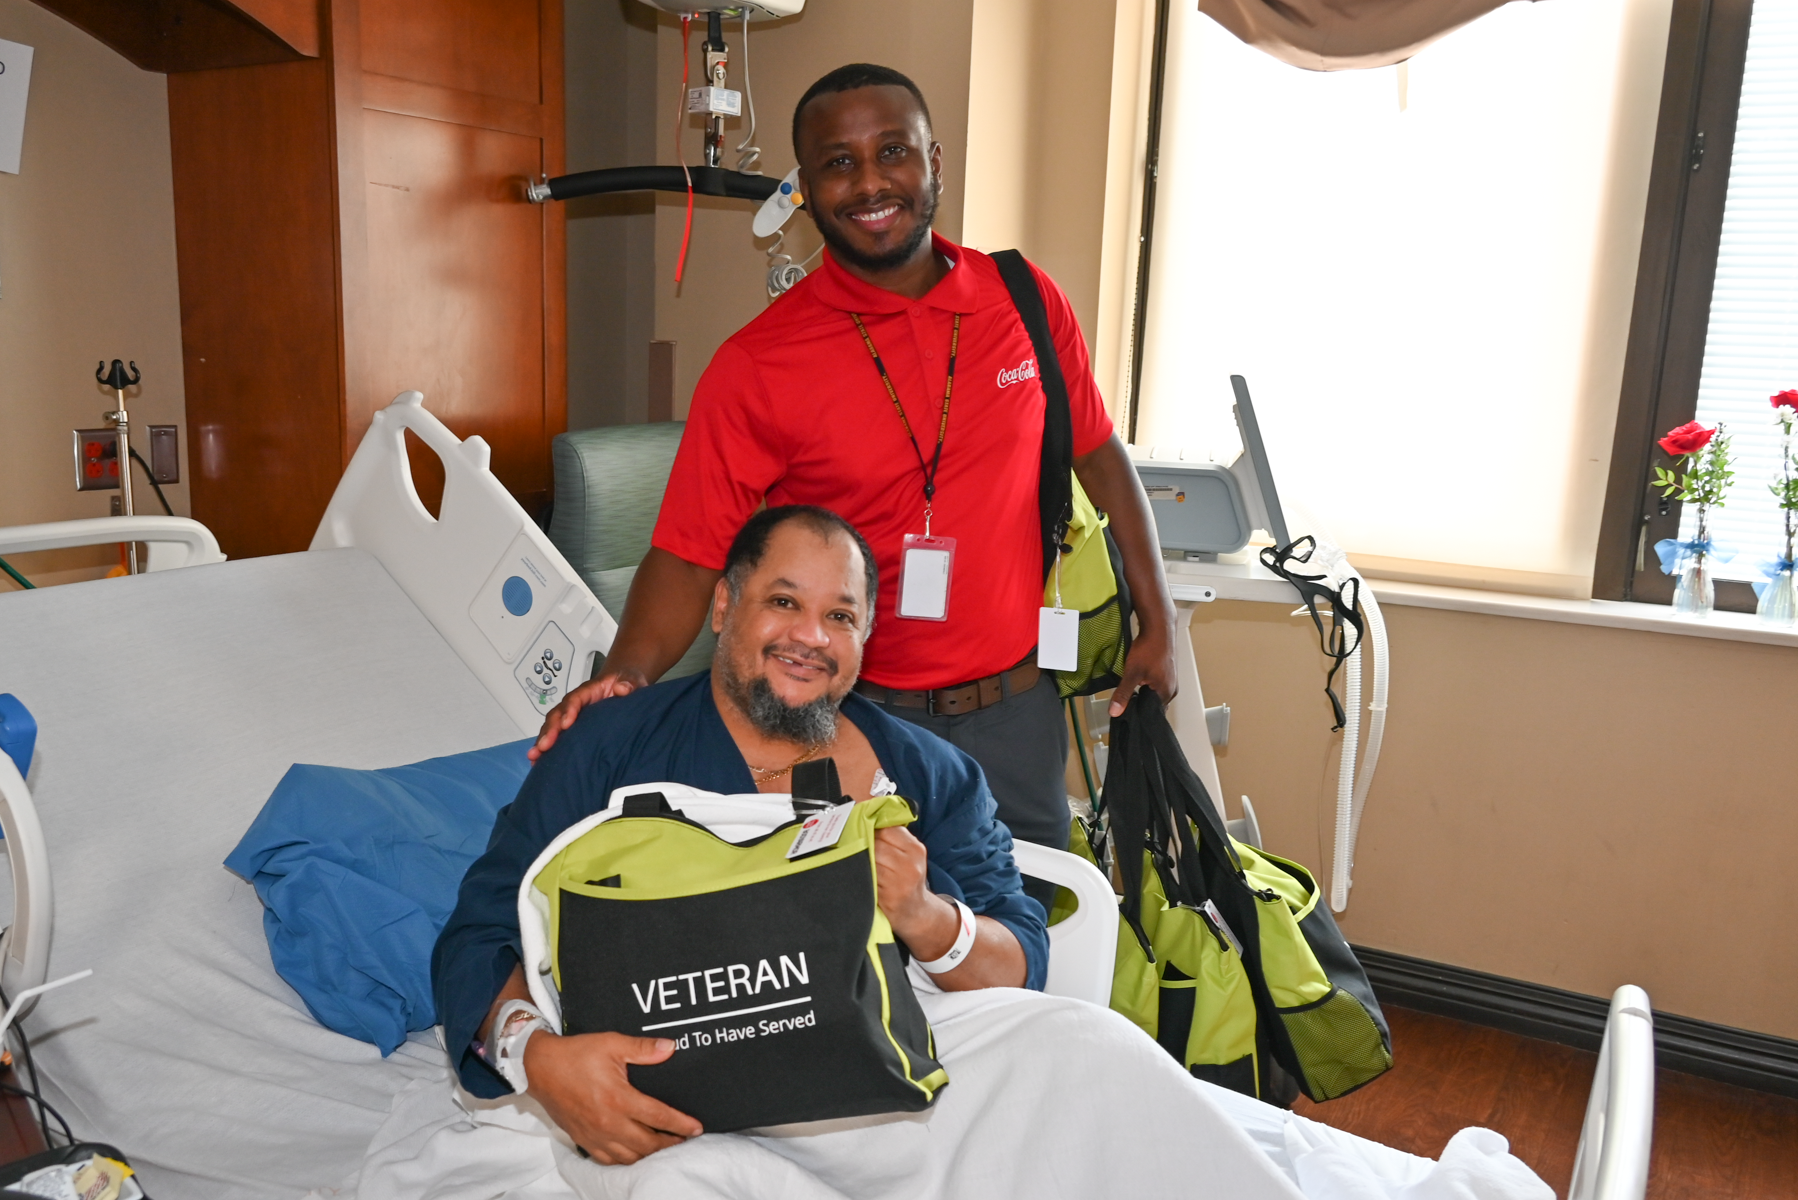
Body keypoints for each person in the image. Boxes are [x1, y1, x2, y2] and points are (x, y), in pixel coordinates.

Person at [529, 63, 1178, 884]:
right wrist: (626, 674)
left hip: (1017, 711)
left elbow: (1099, 454)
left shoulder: (1025, 303)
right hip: (848, 720)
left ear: (935, 162)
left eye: (894, 151)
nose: (871, 182)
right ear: (804, 189)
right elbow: (691, 551)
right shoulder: (757, 363)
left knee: (1027, 951)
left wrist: (1158, 620)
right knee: (865, 967)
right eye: (838, 162)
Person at [433, 505, 1048, 1164]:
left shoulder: (930, 776)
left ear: (865, 636)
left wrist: (925, 917)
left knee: (1095, 1056)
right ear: (723, 605)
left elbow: (1021, 963)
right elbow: (477, 937)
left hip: (904, 1106)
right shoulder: (611, 749)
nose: (811, 636)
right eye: (784, 601)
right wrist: (540, 1059)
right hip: (682, 1117)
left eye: (840, 616)